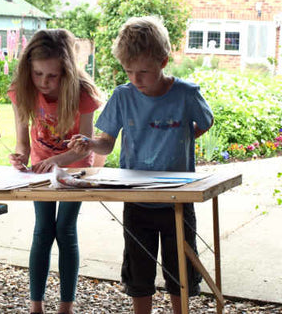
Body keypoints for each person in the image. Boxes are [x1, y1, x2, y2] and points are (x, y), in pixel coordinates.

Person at [69, 16, 214, 314]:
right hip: (136, 198)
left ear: (163, 61)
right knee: (139, 269)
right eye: (128, 71)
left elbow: (204, 123)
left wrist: (180, 137)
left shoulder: (186, 94)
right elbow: (106, 142)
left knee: (180, 269)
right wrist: (89, 143)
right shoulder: (123, 96)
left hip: (177, 198)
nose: (136, 79)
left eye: (144, 71)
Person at [8, 29, 101, 314]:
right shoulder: (21, 91)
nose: (44, 83)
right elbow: (23, 143)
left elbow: (85, 146)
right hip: (41, 170)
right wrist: (20, 156)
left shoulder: (82, 94)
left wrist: (60, 159)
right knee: (42, 230)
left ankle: (66, 306)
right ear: (29, 70)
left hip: (75, 170)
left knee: (65, 229)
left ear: (67, 72)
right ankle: (36, 305)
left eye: (52, 76)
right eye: (38, 74)